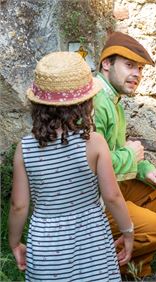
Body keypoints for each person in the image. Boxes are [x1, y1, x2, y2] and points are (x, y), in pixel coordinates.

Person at [8, 51, 134, 282]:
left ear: (38, 104)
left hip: (46, 246)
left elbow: (18, 206)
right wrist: (128, 232)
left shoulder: (24, 149)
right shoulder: (94, 143)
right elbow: (113, 197)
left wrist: (14, 242)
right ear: (86, 101)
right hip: (92, 241)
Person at [93, 31, 156, 278]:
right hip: (96, 200)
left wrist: (146, 169)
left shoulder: (113, 99)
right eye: (129, 65)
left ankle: (138, 269)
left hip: (112, 186)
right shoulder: (95, 100)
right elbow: (94, 165)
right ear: (107, 63)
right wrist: (130, 152)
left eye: (140, 69)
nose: (137, 74)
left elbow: (116, 153)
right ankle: (114, 267)